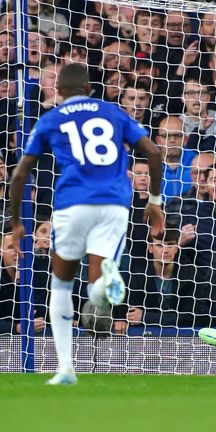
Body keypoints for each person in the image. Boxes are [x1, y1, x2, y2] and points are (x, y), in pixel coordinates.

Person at [9, 63, 164, 385]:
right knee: (97, 273)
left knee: (62, 285)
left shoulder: (51, 118)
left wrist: (16, 222)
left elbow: (20, 173)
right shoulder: (113, 112)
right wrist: (154, 201)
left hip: (72, 205)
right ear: (90, 88)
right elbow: (152, 151)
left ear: (58, 91)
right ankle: (100, 291)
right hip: (115, 204)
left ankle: (65, 369)